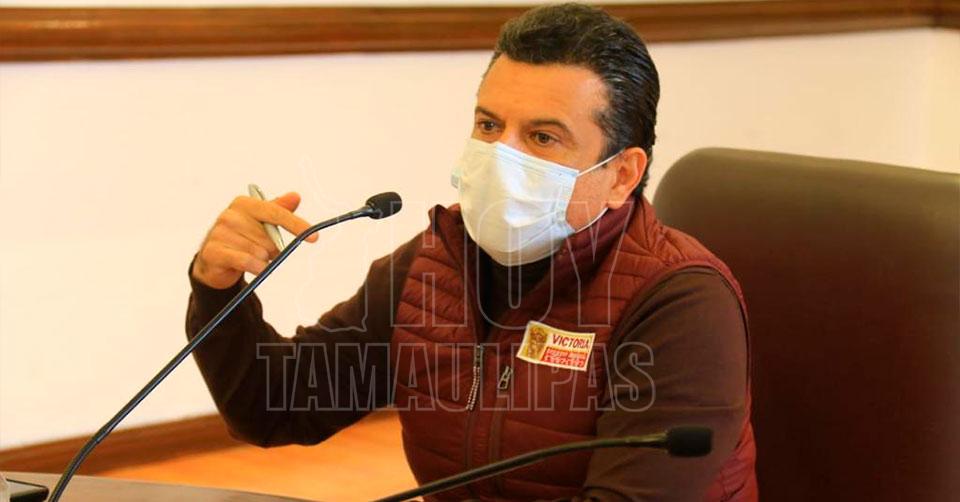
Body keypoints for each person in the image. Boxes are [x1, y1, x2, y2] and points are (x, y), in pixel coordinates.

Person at [186, 3, 757, 500]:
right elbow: (274, 407)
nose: (501, 155)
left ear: (621, 175)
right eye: (488, 125)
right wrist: (217, 286)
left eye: (542, 137)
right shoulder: (436, 264)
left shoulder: (682, 303)